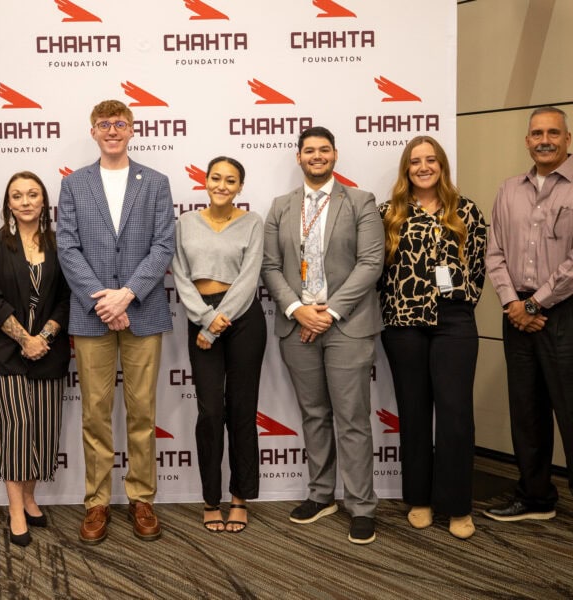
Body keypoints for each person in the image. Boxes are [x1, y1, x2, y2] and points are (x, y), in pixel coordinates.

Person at [57, 99, 175, 544]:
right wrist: (102, 301)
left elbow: (164, 244)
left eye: (119, 124)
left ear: (132, 130)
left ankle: (142, 497)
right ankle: (97, 501)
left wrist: (127, 294)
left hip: (143, 310)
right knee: (96, 414)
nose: (112, 130)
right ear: (93, 131)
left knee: (143, 411)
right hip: (92, 316)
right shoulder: (74, 184)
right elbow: (67, 246)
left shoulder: (156, 183)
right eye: (104, 124)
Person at [261, 126, 384, 545]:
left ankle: (361, 505)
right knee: (314, 414)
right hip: (298, 325)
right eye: (309, 151)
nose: (317, 156)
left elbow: (370, 263)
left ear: (335, 155)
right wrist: (298, 310)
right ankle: (320, 494)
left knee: (351, 418)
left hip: (347, 324)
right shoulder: (281, 206)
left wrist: (328, 312)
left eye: (324, 150)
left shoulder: (360, 201)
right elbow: (270, 266)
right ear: (298, 157)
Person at [378, 136, 487, 539]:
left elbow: (477, 269)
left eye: (431, 160)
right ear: (406, 168)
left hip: (454, 323)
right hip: (403, 324)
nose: (423, 167)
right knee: (414, 412)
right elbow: (378, 271)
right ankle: (419, 499)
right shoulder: (387, 213)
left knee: (456, 417)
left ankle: (458, 505)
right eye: (415, 161)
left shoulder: (467, 210)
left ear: (441, 165)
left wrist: (457, 304)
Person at [484, 106, 573, 522]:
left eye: (553, 132)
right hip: (515, 310)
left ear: (567, 138)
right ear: (526, 140)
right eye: (537, 132)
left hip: (563, 312)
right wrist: (512, 304)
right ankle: (536, 496)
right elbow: (494, 251)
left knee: (569, 408)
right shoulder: (508, 190)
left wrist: (535, 304)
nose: (545, 139)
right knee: (526, 408)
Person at [171, 156, 266, 533]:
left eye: (230, 180)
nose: (222, 185)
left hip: (243, 318)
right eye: (216, 178)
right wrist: (206, 320)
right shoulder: (185, 223)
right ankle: (211, 498)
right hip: (201, 316)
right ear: (205, 181)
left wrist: (217, 322)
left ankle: (240, 497)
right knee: (210, 412)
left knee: (242, 410)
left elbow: (249, 277)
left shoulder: (252, 222)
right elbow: (179, 273)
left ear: (240, 186)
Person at [0, 171, 70, 547]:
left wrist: (43, 337)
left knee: (43, 433)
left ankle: (31, 496)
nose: (26, 201)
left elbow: (67, 298)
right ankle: (16, 509)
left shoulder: (60, 243)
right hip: (6, 353)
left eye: (33, 194)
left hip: (49, 353)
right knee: (16, 431)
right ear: (8, 204)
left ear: (43, 201)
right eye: (18, 195)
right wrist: (24, 340)